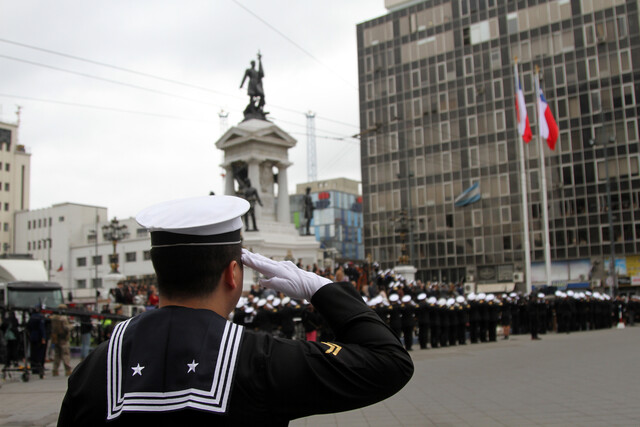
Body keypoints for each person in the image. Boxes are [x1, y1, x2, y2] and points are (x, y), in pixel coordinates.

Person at [58, 195, 413, 426]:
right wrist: (321, 289)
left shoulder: (95, 368)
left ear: (159, 271)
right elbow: (389, 362)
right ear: (233, 274)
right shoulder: (260, 360)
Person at [51, 304, 73, 376]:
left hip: (56, 338)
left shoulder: (54, 317)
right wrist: (72, 326)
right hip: (64, 338)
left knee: (57, 355)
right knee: (65, 354)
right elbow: (66, 327)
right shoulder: (63, 318)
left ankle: (55, 370)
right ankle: (68, 370)